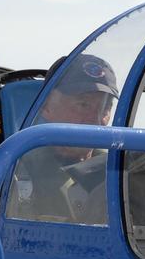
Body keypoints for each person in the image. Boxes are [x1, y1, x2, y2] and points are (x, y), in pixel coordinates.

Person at [8, 53, 118, 224]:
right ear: (46, 107)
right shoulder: (11, 175)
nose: (95, 120)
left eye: (105, 108)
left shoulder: (120, 174)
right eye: (83, 104)